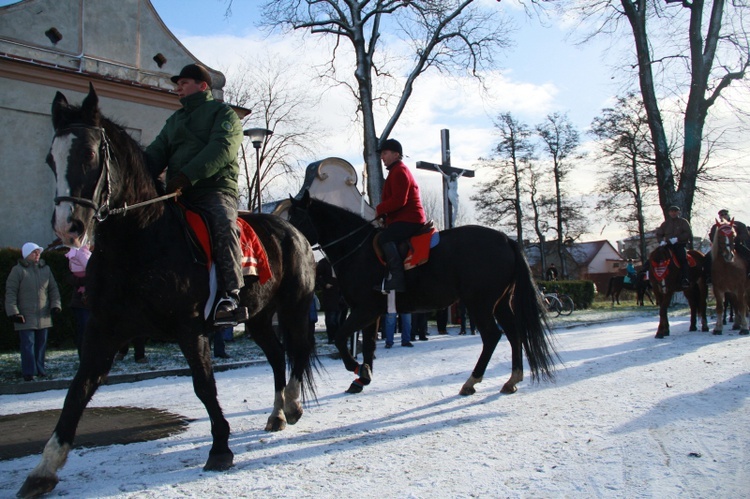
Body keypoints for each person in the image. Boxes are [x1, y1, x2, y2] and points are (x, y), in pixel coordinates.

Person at [145, 63, 246, 326]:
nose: (177, 88)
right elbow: (156, 153)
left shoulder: (224, 114)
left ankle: (230, 296)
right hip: (177, 192)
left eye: (183, 83)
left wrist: (186, 176)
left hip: (213, 189)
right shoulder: (174, 121)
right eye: (177, 85)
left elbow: (222, 149)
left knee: (224, 226)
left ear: (203, 86)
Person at [374, 138, 427, 293]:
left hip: (410, 218)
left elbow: (399, 200)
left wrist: (379, 209)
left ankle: (397, 279)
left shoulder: (399, 171)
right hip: (404, 218)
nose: (382, 157)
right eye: (381, 154)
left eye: (385, 153)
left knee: (385, 238)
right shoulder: (395, 171)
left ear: (396, 154)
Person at [5, 242, 61, 381]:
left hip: (43, 315)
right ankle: (29, 372)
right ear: (26, 255)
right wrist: (14, 312)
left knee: (41, 345)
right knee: (28, 345)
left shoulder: (46, 270)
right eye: (34, 252)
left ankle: (40, 370)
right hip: (25, 315)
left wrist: (56, 305)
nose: (37, 254)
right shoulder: (17, 271)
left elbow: (53, 290)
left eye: (38, 252)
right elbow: (11, 292)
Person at [706, 209, 750, 281]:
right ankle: (708, 276)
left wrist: (733, 239)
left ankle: (748, 272)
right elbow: (712, 237)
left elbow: (745, 235)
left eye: (725, 214)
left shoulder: (738, 224)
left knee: (748, 254)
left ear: (728, 215)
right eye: (721, 215)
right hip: (721, 247)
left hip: (736, 245)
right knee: (707, 258)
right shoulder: (715, 227)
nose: (724, 216)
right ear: (719, 217)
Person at [655, 205, 693, 288]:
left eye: (675, 211)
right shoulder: (665, 224)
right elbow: (659, 234)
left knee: (683, 259)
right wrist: (661, 241)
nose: (673, 213)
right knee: (655, 257)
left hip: (679, 245)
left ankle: (685, 278)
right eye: (672, 211)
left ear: (678, 212)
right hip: (668, 245)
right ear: (669, 213)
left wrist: (678, 239)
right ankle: (649, 277)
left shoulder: (683, 222)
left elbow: (687, 233)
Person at [66, 244, 91, 360]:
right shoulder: (77, 253)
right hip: (81, 302)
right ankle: (84, 357)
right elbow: (70, 277)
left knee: (92, 330)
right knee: (84, 329)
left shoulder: (89, 254)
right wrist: (84, 280)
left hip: (92, 301)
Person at [316, 258, 342, 344]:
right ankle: (331, 337)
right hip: (329, 294)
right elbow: (317, 276)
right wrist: (325, 284)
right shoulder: (323, 263)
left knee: (338, 317)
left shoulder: (338, 261)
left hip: (338, 293)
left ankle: (337, 336)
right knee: (331, 317)